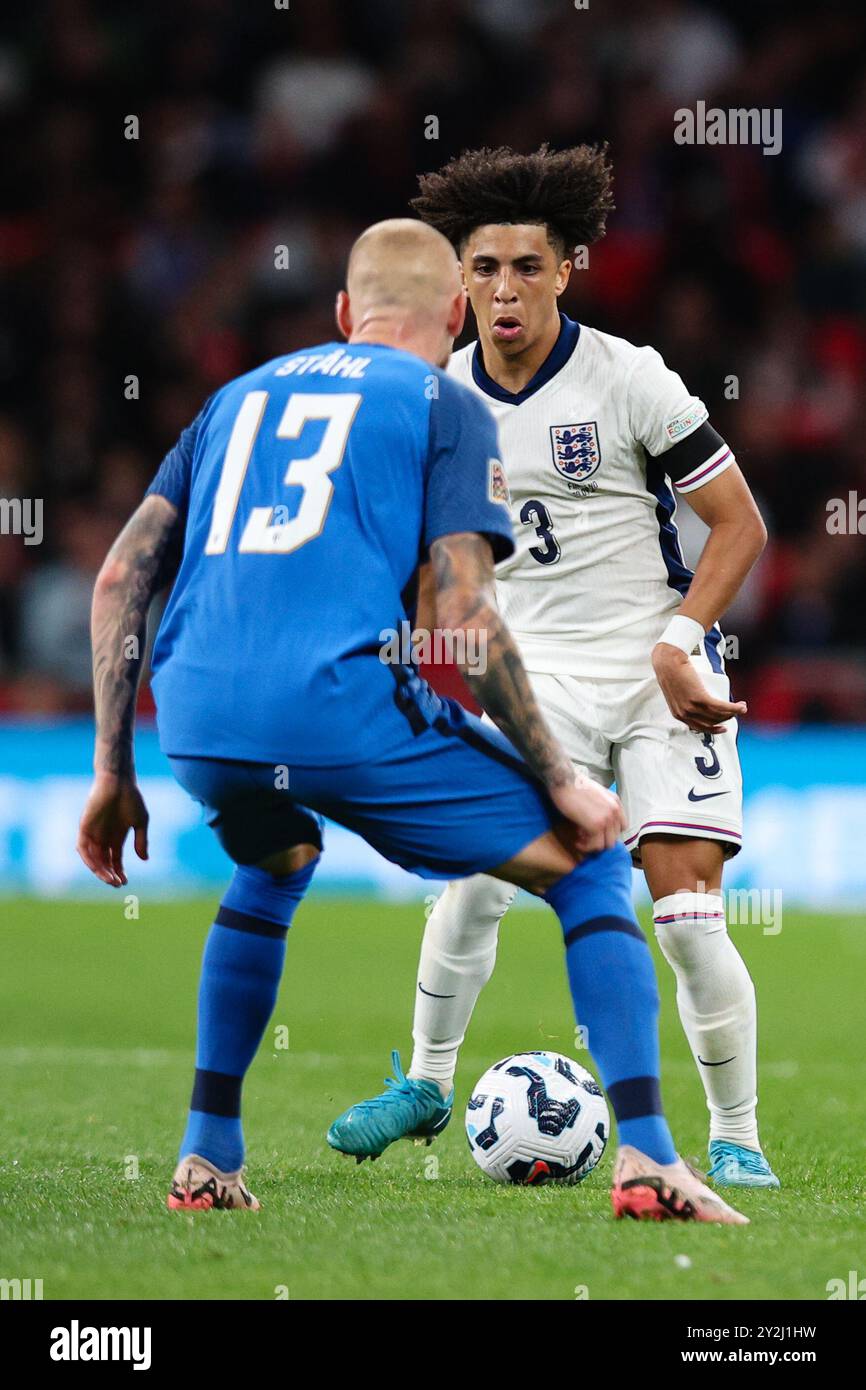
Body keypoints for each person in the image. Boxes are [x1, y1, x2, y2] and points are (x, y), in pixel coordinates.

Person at [77, 217, 745, 1224]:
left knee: (272, 861)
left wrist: (109, 767)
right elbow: (466, 615)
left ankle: (206, 1156)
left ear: (345, 315)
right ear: (451, 315)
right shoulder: (445, 398)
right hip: (338, 703)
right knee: (589, 861)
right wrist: (559, 776)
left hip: (198, 713)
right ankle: (648, 1158)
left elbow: (122, 574)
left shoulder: (233, 398)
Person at [331, 147, 777, 1190]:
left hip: (657, 667)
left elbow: (737, 525)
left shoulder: (628, 376)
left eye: (525, 268)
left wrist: (677, 641)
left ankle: (735, 1136)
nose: (501, 290)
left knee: (685, 918)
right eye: (481, 269)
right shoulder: (435, 398)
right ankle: (428, 1083)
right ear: (457, 283)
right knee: (476, 880)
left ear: (565, 270)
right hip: (533, 687)